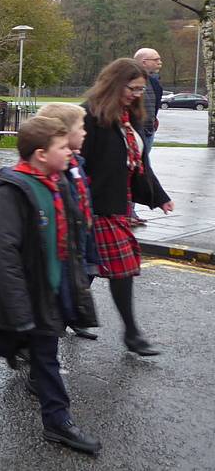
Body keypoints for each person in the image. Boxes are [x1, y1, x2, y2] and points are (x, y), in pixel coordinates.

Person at [0, 116, 101, 455]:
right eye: (61, 147)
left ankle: (56, 421)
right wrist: (18, 306)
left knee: (45, 357)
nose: (69, 151)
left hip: (45, 292)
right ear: (41, 154)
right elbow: (2, 252)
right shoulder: (11, 192)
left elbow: (64, 240)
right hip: (21, 295)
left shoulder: (56, 183)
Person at [81, 58, 173, 356]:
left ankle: (130, 334)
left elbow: (140, 164)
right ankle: (36, 342)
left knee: (108, 270)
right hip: (90, 210)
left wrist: (159, 197)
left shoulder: (129, 118)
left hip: (116, 207)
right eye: (132, 88)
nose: (137, 94)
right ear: (114, 83)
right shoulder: (89, 116)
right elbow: (76, 166)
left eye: (141, 89)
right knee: (94, 271)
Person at [36, 102, 102, 340]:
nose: (85, 132)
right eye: (81, 127)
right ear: (63, 132)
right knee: (52, 297)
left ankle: (69, 319)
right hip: (62, 246)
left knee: (79, 279)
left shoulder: (75, 164)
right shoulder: (56, 168)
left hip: (80, 237)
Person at [133, 48, 163, 156]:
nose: (160, 62)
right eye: (156, 60)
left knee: (144, 163)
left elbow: (155, 106)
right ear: (144, 62)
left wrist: (153, 122)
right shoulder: (127, 81)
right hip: (134, 131)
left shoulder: (155, 83)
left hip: (149, 131)